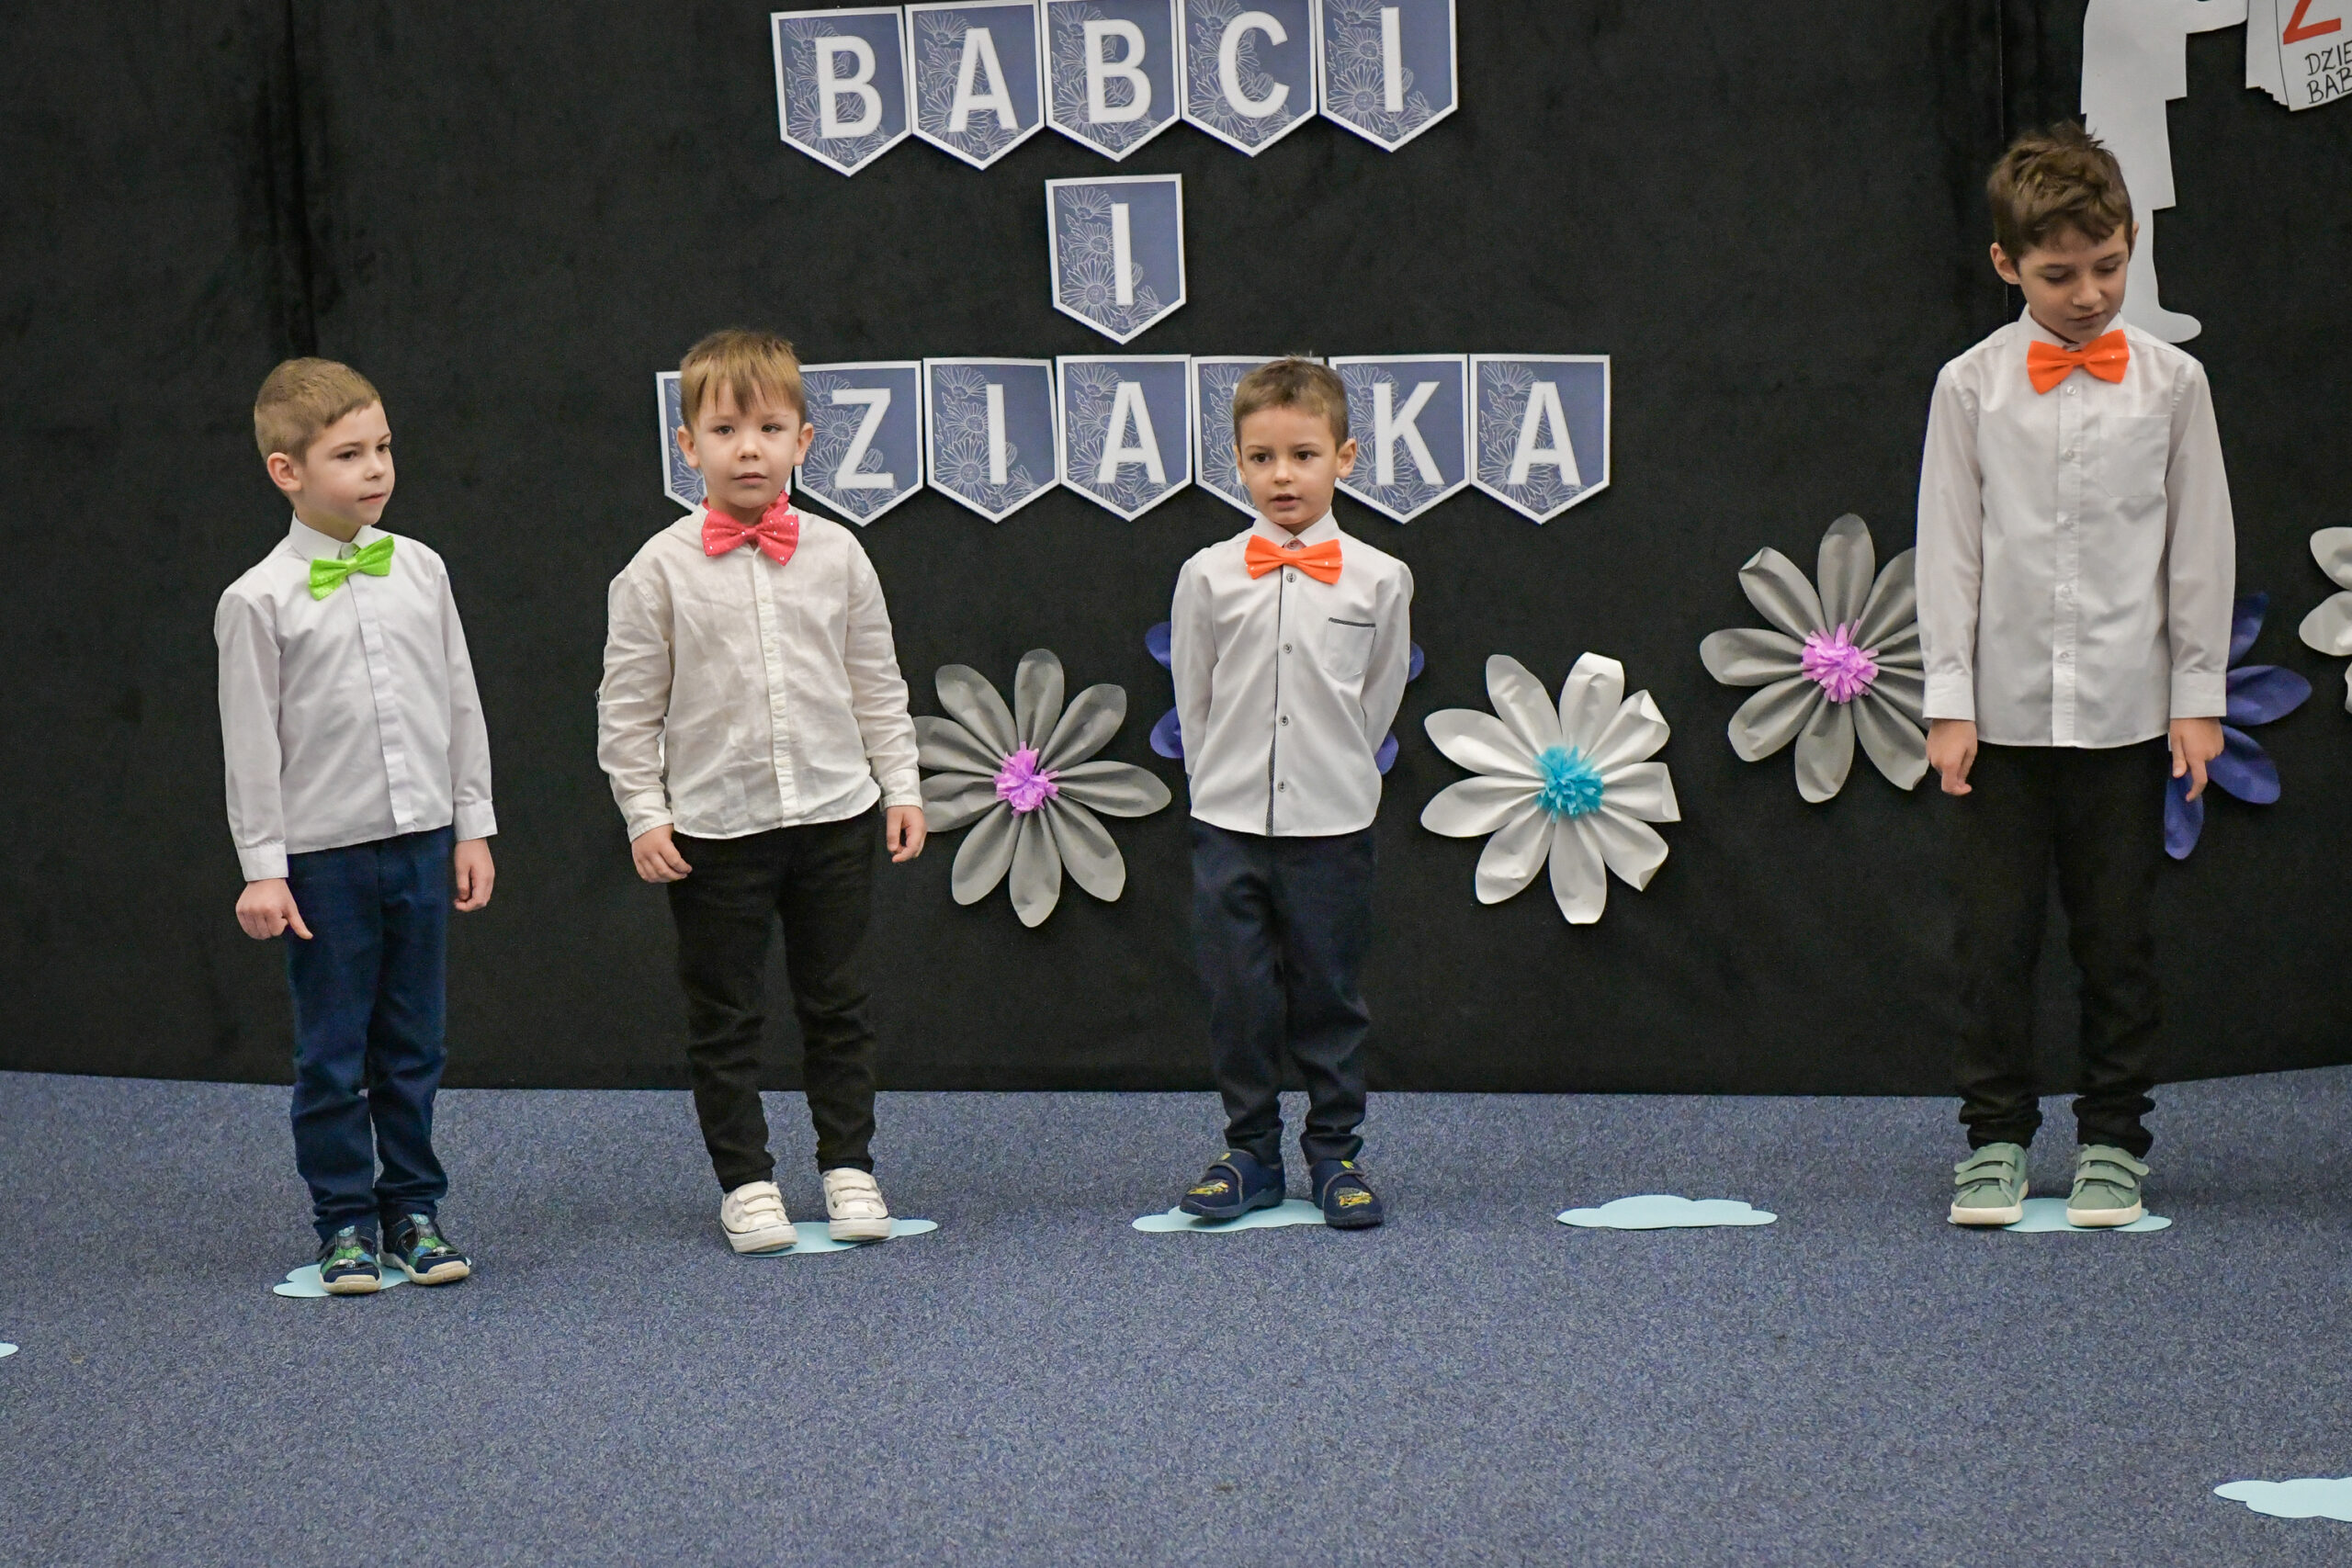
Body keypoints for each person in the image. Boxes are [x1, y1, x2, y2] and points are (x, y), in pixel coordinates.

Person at [1917, 125, 2234, 1228]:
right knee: (1991, 946)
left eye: (2107, 266)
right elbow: (1949, 550)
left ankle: (2112, 1140)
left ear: (2132, 243)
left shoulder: (2174, 384)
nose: (2089, 294)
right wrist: (1947, 702)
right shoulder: (1968, 388)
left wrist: (2197, 698)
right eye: (2058, 275)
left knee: (2117, 943)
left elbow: (2198, 548)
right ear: (2006, 266)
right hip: (1998, 721)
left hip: (2123, 716)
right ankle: (1994, 1140)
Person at [598, 329, 925, 1255]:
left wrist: (900, 785)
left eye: (770, 429)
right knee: (726, 1014)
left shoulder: (840, 554)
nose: (749, 449)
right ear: (687, 445)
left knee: (838, 1002)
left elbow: (876, 682)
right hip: (716, 828)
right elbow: (627, 709)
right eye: (725, 429)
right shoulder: (656, 569)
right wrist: (646, 814)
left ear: (803, 442)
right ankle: (745, 1180)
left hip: (835, 814)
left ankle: (849, 1166)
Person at [216, 358, 496, 1294]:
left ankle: (413, 1208)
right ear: (286, 471)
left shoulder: (421, 568)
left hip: (421, 842)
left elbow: (458, 700)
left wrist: (471, 825)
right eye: (347, 454)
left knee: (415, 1043)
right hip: (322, 861)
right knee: (334, 1052)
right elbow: (250, 745)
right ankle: (343, 1219)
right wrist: (263, 867)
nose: (376, 468)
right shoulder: (257, 599)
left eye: (382, 447)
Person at [1166, 357, 1414, 1229]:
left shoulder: (1380, 578)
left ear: (1343, 458)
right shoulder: (1207, 574)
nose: (1283, 475)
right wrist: (1219, 781)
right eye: (1262, 457)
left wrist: (1337, 769)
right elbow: (1194, 696)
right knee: (1239, 993)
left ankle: (1336, 1153)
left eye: (1303, 455)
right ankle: (1250, 1154)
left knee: (1329, 992)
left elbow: (1379, 695)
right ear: (1237, 462)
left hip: (1332, 822)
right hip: (1229, 820)